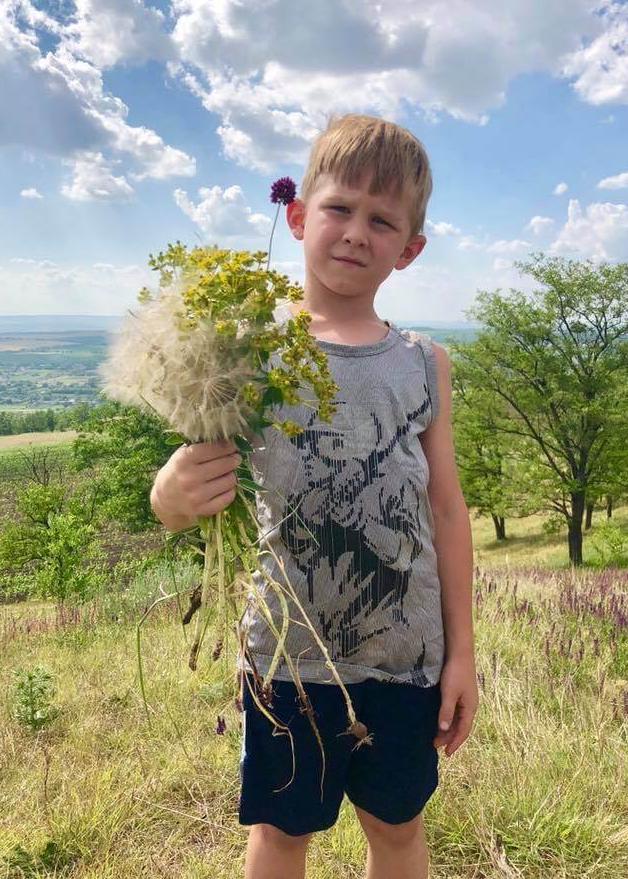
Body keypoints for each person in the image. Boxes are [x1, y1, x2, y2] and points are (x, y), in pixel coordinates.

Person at [150, 113, 479, 879]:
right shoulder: (244, 351)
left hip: (405, 661)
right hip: (287, 659)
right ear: (297, 216)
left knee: (397, 829)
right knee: (279, 833)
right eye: (339, 208)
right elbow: (194, 485)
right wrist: (170, 495)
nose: (357, 232)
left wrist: (461, 655)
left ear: (410, 248)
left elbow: (447, 511)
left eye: (383, 220)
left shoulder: (425, 363)